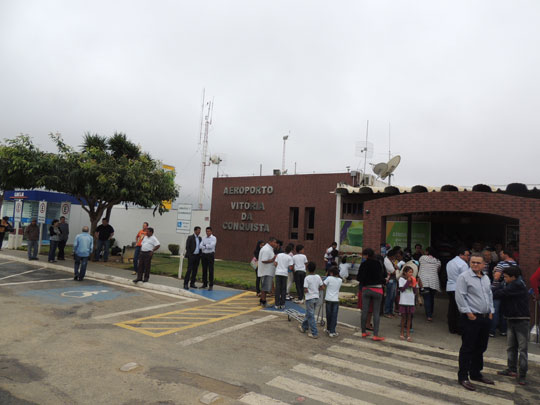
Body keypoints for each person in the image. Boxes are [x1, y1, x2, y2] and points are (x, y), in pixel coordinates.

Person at [455, 253, 495, 391]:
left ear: (484, 264)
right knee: (468, 347)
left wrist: (491, 311)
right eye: (473, 262)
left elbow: (489, 295)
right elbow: (460, 296)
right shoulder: (464, 277)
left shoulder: (485, 278)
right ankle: (463, 376)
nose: (475, 265)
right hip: (471, 318)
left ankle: (476, 373)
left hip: (485, 317)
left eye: (478, 263)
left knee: (481, 347)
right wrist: (469, 314)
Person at [494, 265, 530, 385]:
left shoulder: (517, 285)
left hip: (521, 320)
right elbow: (498, 289)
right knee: (511, 347)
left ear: (513, 277)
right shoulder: (508, 283)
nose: (504, 279)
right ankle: (511, 369)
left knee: (522, 349)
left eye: (506, 277)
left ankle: (522, 375)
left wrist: (490, 290)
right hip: (511, 318)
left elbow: (500, 293)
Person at [357, 247, 386, 341]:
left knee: (365, 311)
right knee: (376, 313)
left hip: (366, 289)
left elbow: (359, 277)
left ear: (367, 255)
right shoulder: (378, 263)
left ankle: (363, 332)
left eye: (364, 255)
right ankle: (376, 335)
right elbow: (383, 275)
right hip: (377, 289)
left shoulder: (364, 264)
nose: (363, 257)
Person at [446, 248, 471, 334]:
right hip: (458, 288)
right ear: (461, 255)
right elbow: (466, 278)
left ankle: (452, 328)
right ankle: (459, 329)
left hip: (450, 287)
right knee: (459, 309)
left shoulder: (450, 262)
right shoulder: (463, 264)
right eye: (467, 255)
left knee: (452, 308)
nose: (468, 257)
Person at [298, 261, 323, 338]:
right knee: (309, 314)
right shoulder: (318, 276)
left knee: (311, 315)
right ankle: (304, 327)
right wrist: (316, 289)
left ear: (308, 269)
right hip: (316, 297)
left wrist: (308, 291)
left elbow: (305, 289)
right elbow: (322, 287)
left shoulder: (307, 278)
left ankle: (314, 332)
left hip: (310, 298)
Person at [418, 247, 441, 322]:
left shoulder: (422, 258)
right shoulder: (437, 261)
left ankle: (429, 315)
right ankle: (430, 313)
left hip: (424, 281)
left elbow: (419, 264)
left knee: (427, 298)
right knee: (431, 298)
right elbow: (438, 270)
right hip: (434, 281)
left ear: (427, 252)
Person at [257, 237, 278, 307]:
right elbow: (264, 260)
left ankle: (261, 300)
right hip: (266, 271)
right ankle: (264, 301)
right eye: (274, 242)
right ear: (270, 242)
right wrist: (272, 260)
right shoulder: (267, 249)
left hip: (268, 271)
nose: (276, 244)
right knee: (265, 288)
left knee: (265, 287)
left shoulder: (269, 249)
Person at [399, 266, 418, 342]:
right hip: (404, 301)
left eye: (412, 272)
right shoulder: (401, 279)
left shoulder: (414, 280)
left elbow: (414, 292)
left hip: (410, 302)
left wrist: (413, 284)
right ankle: (402, 333)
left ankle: (408, 334)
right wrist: (408, 282)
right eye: (409, 272)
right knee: (403, 318)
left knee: (409, 318)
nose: (411, 274)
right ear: (405, 273)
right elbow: (402, 289)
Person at [324, 266, 342, 337]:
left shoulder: (328, 278)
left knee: (328, 315)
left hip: (328, 299)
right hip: (335, 300)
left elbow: (323, 285)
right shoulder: (340, 280)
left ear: (331, 273)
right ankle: (332, 331)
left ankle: (328, 329)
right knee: (334, 316)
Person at [274, 244, 293, 309]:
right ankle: (282, 304)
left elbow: (275, 263)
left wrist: (278, 267)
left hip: (278, 273)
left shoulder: (279, 255)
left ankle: (277, 304)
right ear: (290, 251)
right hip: (284, 274)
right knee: (283, 289)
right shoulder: (289, 257)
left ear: (284, 249)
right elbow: (290, 268)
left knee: (277, 289)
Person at [383, 248, 398, 318]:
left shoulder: (390, 260)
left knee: (392, 297)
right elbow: (393, 271)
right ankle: (387, 312)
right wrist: (397, 270)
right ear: (392, 256)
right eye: (395, 256)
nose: (395, 258)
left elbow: (396, 268)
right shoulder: (387, 261)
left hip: (393, 280)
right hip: (390, 281)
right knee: (389, 297)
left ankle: (391, 311)